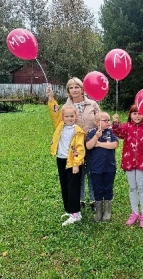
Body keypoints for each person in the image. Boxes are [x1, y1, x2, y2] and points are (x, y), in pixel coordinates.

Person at [47, 79, 100, 211]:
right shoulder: (66, 107)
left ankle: (94, 200)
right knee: (77, 174)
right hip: (75, 147)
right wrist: (51, 98)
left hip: (92, 143)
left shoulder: (92, 104)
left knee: (92, 173)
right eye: (71, 87)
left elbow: (100, 120)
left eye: (77, 87)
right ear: (68, 91)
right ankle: (79, 199)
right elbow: (57, 118)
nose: (74, 90)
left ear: (82, 89)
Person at [112, 105, 143, 228]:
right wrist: (115, 123)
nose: (137, 116)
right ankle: (135, 212)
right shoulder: (126, 127)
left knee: (141, 187)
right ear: (130, 114)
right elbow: (118, 132)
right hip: (129, 162)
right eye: (134, 113)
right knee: (132, 187)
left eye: (140, 113)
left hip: (142, 164)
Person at [48, 102, 85, 226]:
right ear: (62, 117)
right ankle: (69, 210)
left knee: (73, 187)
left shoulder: (78, 131)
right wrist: (51, 99)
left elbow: (79, 150)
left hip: (72, 163)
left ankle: (76, 214)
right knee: (64, 185)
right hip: (61, 159)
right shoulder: (60, 125)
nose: (69, 119)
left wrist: (76, 164)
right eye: (67, 116)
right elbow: (54, 112)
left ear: (76, 116)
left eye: (72, 116)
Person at [85, 112, 119, 222]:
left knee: (108, 188)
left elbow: (115, 144)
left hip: (109, 167)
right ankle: (99, 211)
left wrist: (99, 144)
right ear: (97, 122)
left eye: (109, 120)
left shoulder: (110, 132)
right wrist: (96, 137)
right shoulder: (92, 133)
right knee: (97, 189)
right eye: (105, 120)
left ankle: (107, 211)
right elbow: (89, 146)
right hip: (95, 168)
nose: (108, 122)